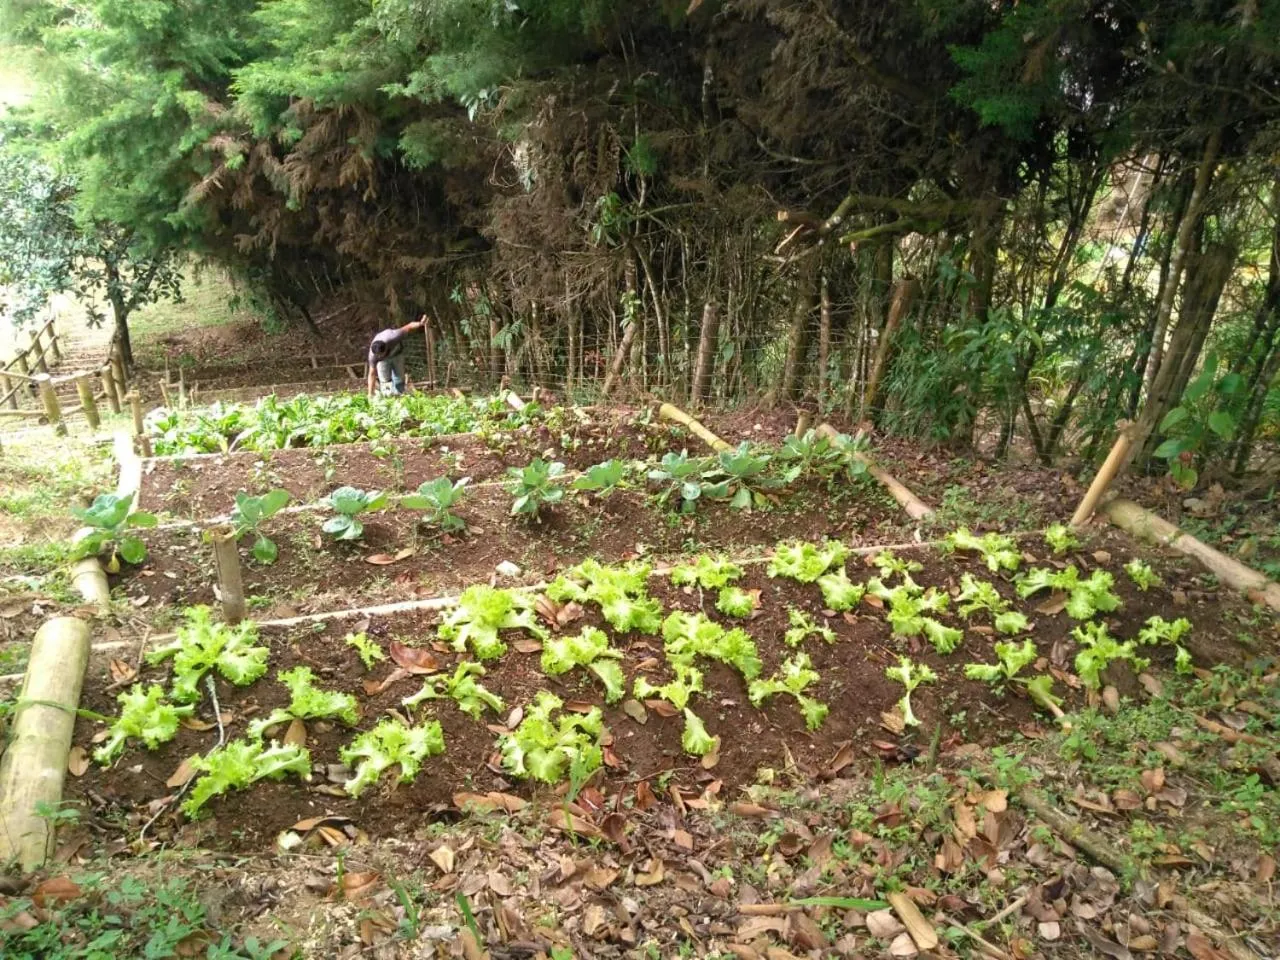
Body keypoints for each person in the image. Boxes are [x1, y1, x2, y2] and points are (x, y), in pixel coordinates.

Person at [366, 317, 426, 397]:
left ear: (386, 347)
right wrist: (370, 393)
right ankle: (388, 397)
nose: (380, 356)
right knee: (385, 380)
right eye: (378, 356)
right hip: (383, 362)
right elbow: (372, 374)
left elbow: (409, 326)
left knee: (399, 378)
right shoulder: (373, 356)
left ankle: (399, 395)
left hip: (397, 354)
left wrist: (420, 323)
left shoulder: (394, 336)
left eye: (382, 354)